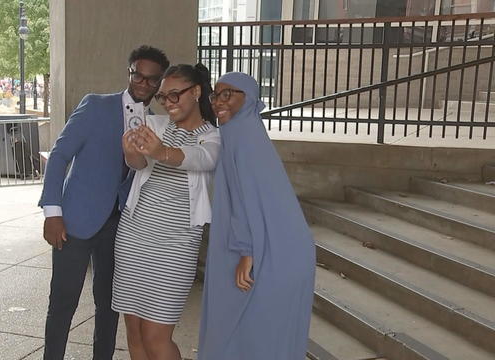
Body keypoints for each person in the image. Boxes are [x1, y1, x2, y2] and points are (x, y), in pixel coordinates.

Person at [38, 45, 170, 360]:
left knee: (110, 305)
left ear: (158, 84)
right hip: (75, 221)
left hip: (121, 228)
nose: (143, 83)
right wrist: (52, 212)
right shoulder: (95, 106)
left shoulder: (156, 125)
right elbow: (59, 156)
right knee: (63, 303)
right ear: (130, 72)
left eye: (152, 79)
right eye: (138, 74)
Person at [198, 72, 315, 360]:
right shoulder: (246, 130)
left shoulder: (241, 134)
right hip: (278, 249)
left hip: (265, 252)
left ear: (248, 99)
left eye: (229, 94)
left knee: (242, 334)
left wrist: (247, 251)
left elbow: (242, 196)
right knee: (259, 337)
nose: (218, 102)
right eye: (216, 95)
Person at [112, 63, 220, 360]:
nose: (169, 103)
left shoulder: (212, 137)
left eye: (175, 95)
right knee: (134, 333)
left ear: (196, 92)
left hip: (175, 246)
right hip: (134, 237)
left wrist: (161, 152)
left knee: (156, 338)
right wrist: (131, 151)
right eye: (163, 97)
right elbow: (138, 166)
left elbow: (200, 159)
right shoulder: (155, 125)